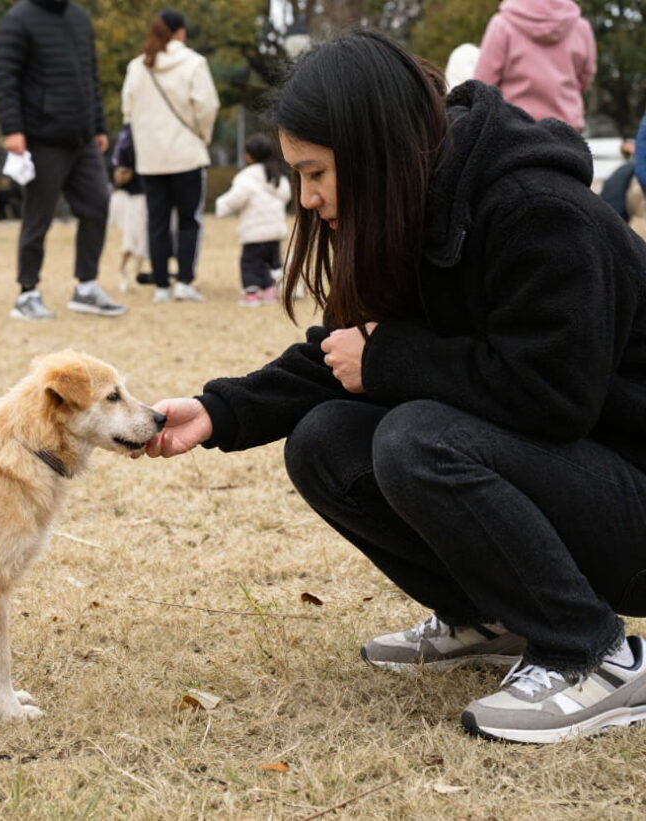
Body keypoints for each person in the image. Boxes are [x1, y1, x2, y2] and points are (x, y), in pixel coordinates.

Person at [141, 30, 646, 744]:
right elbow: (343, 356)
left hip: (631, 496)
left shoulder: (539, 211)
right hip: (575, 486)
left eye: (316, 173)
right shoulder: (412, 210)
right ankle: (491, 616)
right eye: (297, 177)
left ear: (376, 147)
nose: (308, 199)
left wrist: (391, 361)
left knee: (417, 440)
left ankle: (596, 653)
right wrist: (219, 411)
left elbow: (556, 399)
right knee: (324, 441)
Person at [0, 0, 126, 321]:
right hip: (41, 137)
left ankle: (87, 288)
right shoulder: (18, 19)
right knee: (38, 217)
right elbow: (5, 77)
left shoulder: (79, 17)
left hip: (82, 139)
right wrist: (12, 129)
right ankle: (28, 293)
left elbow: (89, 77)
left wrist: (97, 125)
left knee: (97, 205)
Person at [121, 10, 220, 303]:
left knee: (157, 222)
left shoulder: (137, 67)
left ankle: (161, 285)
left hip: (150, 159)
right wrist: (202, 135)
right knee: (189, 220)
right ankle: (185, 281)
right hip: (187, 154)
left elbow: (128, 110)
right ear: (180, 32)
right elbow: (207, 106)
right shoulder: (194, 63)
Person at [473, 0, 596, 132]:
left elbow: (483, 83)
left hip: (514, 130)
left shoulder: (502, 24)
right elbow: (586, 76)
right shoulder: (580, 27)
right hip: (567, 130)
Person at [214, 133, 291, 307]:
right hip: (275, 232)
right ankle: (269, 292)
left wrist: (221, 206)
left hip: (254, 233)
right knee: (270, 264)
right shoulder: (277, 175)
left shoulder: (246, 177)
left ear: (249, 156)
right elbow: (286, 195)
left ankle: (251, 294)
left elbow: (236, 198)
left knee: (250, 263)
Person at [110, 124, 149, 292]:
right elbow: (119, 175)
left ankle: (136, 273)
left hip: (146, 194)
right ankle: (124, 273)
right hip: (134, 196)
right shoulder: (129, 134)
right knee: (133, 238)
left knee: (143, 239)